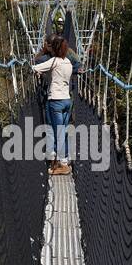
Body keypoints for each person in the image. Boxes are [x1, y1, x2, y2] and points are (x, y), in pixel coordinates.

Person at [32, 35, 75, 175]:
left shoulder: (53, 61)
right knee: (63, 130)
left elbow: (34, 67)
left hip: (55, 101)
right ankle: (65, 160)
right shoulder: (68, 62)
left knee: (56, 131)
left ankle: (62, 164)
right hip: (67, 101)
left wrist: (42, 54)